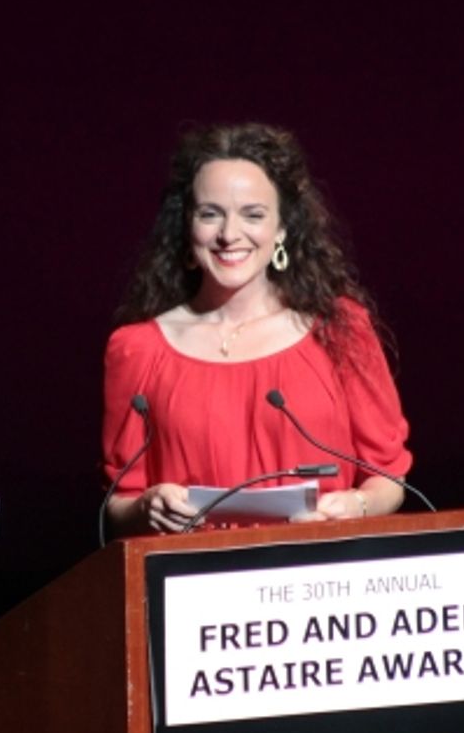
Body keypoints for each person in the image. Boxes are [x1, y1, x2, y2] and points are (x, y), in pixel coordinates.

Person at [101, 123, 411, 537]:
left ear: (283, 229)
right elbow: (118, 501)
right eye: (210, 214)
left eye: (253, 214)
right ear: (187, 227)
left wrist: (358, 504)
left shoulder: (341, 330)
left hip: (321, 580)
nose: (229, 235)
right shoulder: (136, 349)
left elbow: (387, 477)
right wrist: (145, 507)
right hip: (194, 585)